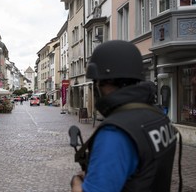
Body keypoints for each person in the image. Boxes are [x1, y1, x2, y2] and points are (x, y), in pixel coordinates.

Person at [71, 40, 178, 192]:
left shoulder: (116, 131)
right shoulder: (158, 116)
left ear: (107, 82)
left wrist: (76, 183)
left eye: (97, 82)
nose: (96, 88)